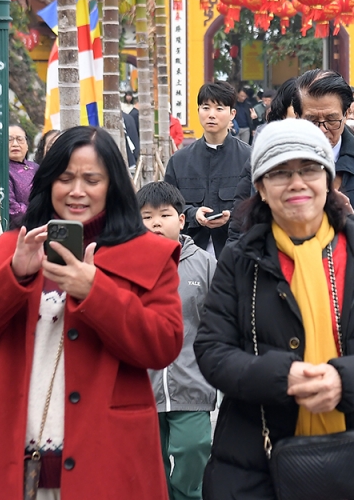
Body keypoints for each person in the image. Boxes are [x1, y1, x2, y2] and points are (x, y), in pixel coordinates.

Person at [194, 120, 354, 500]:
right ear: (261, 188)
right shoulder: (239, 260)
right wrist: (280, 375)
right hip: (255, 461)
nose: (297, 183)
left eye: (309, 169)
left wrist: (346, 381)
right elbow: (212, 352)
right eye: (280, 172)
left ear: (330, 181)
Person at [0, 126, 184, 500]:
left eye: (92, 179)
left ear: (113, 186)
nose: (77, 191)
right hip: (16, 465)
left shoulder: (147, 254)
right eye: (65, 178)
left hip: (109, 465)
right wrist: (14, 275)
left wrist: (96, 292)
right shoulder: (11, 248)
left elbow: (163, 345)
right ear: (48, 181)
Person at [234, 70, 354, 249]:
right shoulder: (272, 163)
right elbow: (252, 226)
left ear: (346, 115)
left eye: (331, 120)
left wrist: (351, 217)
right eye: (311, 120)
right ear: (297, 117)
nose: (321, 130)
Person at [139, 181, 216, 500]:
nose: (155, 223)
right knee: (147, 464)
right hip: (143, 387)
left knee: (194, 448)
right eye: (146, 217)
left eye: (164, 215)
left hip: (192, 382)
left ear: (182, 220)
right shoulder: (127, 266)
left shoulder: (204, 263)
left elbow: (219, 322)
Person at [165, 81, 251, 256]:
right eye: (206, 107)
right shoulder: (179, 160)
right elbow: (168, 206)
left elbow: (259, 204)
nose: (211, 115)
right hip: (190, 254)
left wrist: (233, 216)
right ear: (198, 111)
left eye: (219, 108)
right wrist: (193, 213)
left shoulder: (249, 157)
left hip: (237, 253)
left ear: (232, 113)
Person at [8, 124, 37, 227]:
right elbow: (11, 205)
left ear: (27, 144)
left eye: (20, 139)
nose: (15, 144)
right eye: (9, 140)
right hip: (18, 228)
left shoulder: (36, 167)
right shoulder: (2, 170)